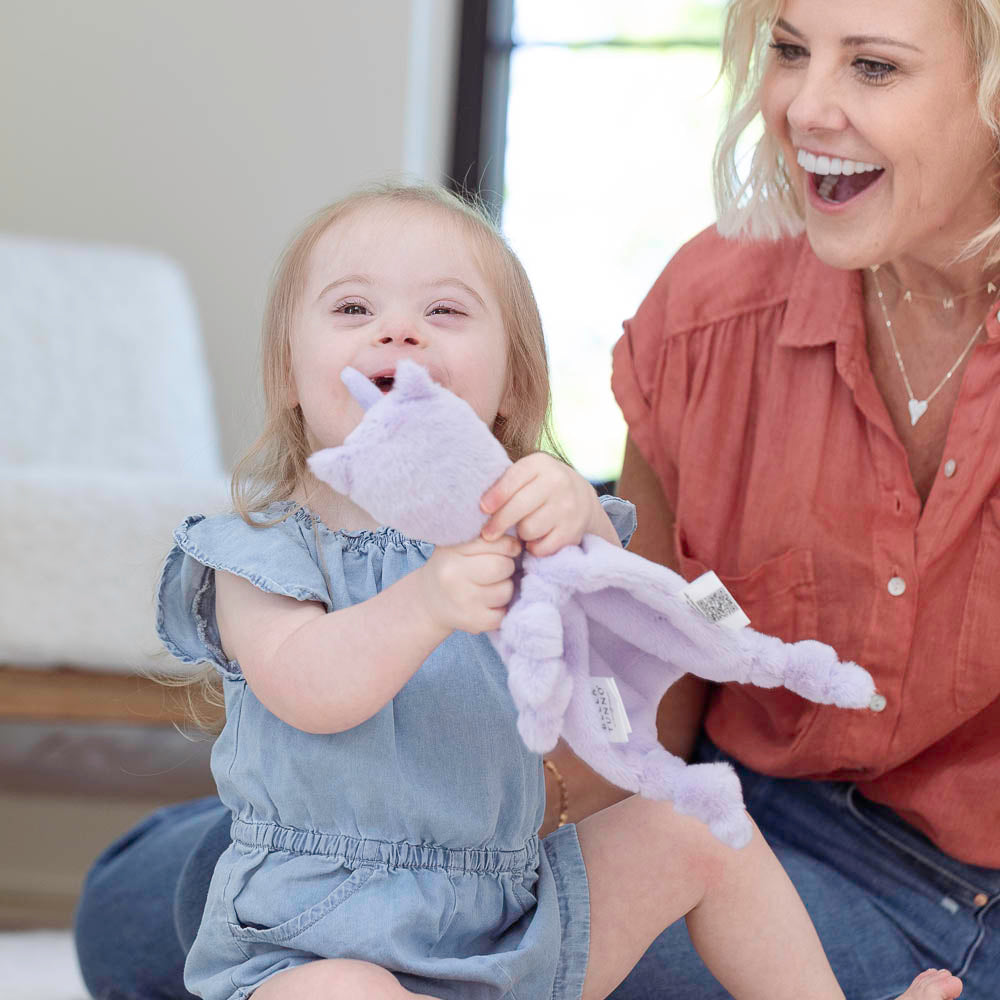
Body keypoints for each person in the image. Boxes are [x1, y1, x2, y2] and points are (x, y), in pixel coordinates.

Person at [76, 182, 960, 1000]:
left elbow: (621, 624)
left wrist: (580, 516)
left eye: (444, 311)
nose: (400, 331)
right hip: (317, 934)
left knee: (699, 827)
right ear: (287, 373)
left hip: (510, 919)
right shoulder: (257, 550)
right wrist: (426, 602)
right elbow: (310, 687)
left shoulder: (515, 524)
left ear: (511, 385)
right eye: (353, 308)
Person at [566, 0, 999, 996]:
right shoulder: (710, 310)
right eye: (791, 52)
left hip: (965, 889)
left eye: (874, 67)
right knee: (214, 872)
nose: (803, 108)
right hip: (740, 824)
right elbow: (648, 694)